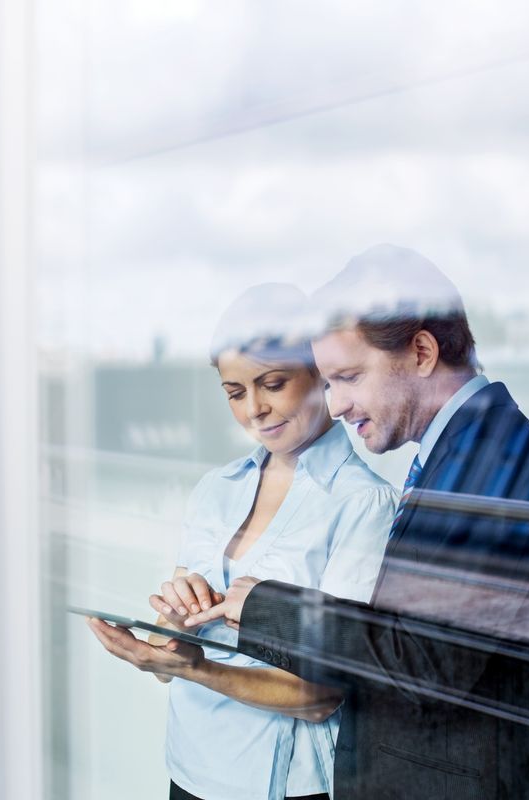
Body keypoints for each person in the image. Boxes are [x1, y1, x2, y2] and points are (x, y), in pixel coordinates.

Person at [185, 245, 529, 799]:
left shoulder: (495, 462)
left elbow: (425, 659)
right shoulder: (463, 454)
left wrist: (265, 606)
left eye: (348, 377)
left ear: (421, 351)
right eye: (329, 383)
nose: (339, 405)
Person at [87, 283, 397, 800]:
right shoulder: (216, 490)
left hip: (280, 787)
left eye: (272, 384)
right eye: (235, 393)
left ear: (320, 372)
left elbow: (324, 694)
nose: (254, 409)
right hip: (188, 768)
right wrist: (170, 629)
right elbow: (174, 655)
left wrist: (198, 668)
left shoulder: (362, 505)